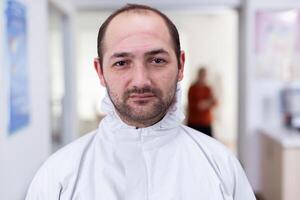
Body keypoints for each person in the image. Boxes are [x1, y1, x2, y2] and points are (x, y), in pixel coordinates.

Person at [26, 4, 256, 200]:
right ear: (100, 71)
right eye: (121, 62)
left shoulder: (222, 166)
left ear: (181, 65)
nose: (141, 80)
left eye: (157, 60)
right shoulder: (58, 175)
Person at [187, 67, 217, 137]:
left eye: (204, 75)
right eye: (202, 75)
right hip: (194, 122)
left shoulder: (208, 88)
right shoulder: (192, 88)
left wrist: (205, 104)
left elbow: (214, 102)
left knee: (209, 142)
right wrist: (206, 103)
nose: (203, 77)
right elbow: (194, 105)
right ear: (198, 75)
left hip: (206, 121)